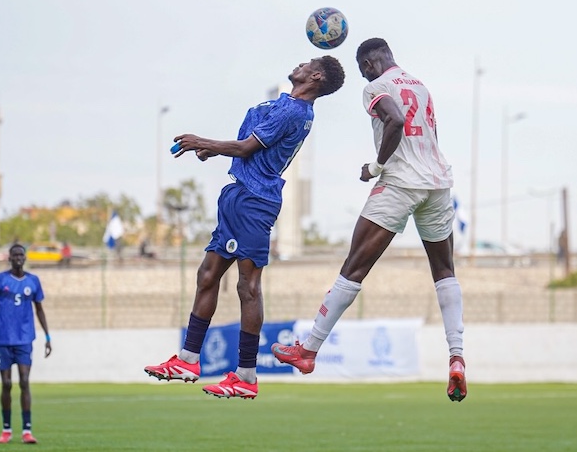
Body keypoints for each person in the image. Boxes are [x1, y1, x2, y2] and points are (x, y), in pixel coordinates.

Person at [271, 38, 468, 402]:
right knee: (444, 270)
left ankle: (309, 350)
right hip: (438, 182)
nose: (364, 74)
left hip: (400, 183)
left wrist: (375, 167)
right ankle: (456, 356)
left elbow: (394, 119)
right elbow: (430, 136)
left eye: (363, 68)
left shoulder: (377, 87)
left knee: (354, 267)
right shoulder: (421, 86)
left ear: (369, 62)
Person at [144, 56, 345, 399]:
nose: (299, 62)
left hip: (255, 201)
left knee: (247, 286)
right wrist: (215, 150)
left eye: (308, 62)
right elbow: (246, 148)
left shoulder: (295, 111)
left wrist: (202, 142)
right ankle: (188, 360)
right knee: (207, 275)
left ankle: (246, 376)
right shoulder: (288, 104)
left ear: (315, 76)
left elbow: (246, 147)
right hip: (239, 194)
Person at [0, 243, 52, 444]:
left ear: (25, 257)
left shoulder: (33, 281)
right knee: (6, 384)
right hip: (4, 339)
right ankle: (6, 430)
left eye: (21, 254)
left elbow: (39, 309)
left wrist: (47, 336)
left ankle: (27, 431)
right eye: (15, 255)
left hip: (24, 339)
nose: (18, 258)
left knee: (24, 381)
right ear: (10, 258)